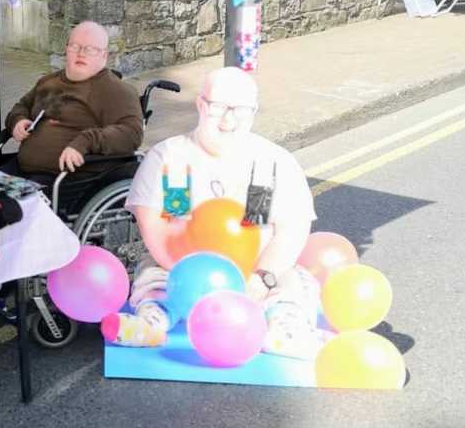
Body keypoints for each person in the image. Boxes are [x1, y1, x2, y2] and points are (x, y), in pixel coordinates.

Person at [102, 67, 321, 359]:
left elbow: (292, 231)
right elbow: (157, 231)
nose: (228, 120)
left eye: (239, 110)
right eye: (218, 108)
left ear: (253, 111)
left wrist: (261, 278)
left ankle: (282, 330)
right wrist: (196, 281)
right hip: (180, 270)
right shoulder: (170, 158)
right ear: (201, 105)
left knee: (293, 282)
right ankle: (151, 324)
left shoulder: (275, 162)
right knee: (154, 279)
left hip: (256, 274)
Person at [3, 22, 143, 176]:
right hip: (20, 172)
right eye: (75, 46)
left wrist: (86, 141)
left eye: (90, 49)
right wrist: (17, 120)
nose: (81, 53)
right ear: (66, 49)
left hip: (67, 181)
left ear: (104, 55)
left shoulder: (116, 91)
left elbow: (132, 133)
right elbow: (21, 106)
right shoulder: (48, 81)